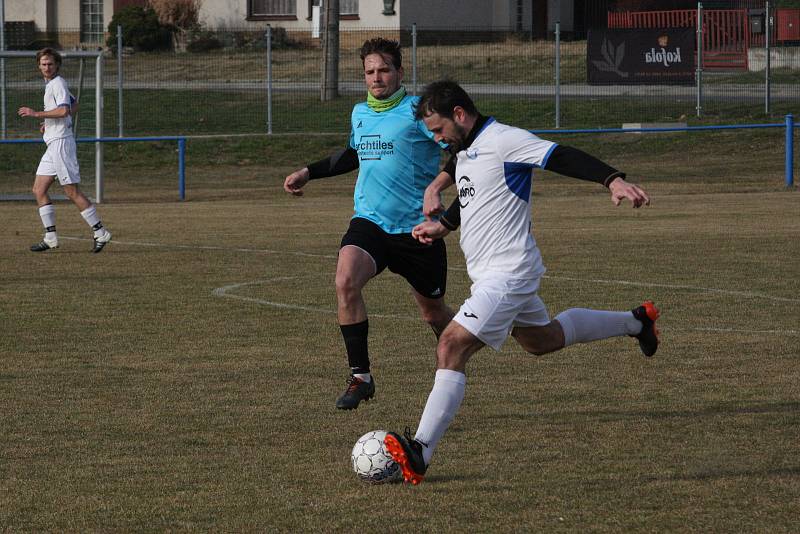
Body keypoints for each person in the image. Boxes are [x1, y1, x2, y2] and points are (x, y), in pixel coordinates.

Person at [382, 80, 661, 485]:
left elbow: (558, 155)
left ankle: (420, 451)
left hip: (508, 273)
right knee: (541, 340)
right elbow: (474, 196)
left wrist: (612, 179)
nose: (437, 138)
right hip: (493, 275)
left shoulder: (505, 140)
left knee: (451, 343)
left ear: (460, 115)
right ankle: (637, 321)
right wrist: (443, 226)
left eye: (439, 129)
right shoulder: (467, 151)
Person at [283, 38, 454, 410]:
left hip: (417, 230)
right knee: (345, 280)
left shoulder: (418, 110)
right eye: (370, 72)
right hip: (370, 223)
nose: (377, 78)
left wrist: (438, 187)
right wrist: (308, 172)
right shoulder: (360, 112)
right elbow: (352, 155)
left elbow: (458, 149)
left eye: (384, 70)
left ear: (399, 72)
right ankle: (361, 377)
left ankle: (460, 354)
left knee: (435, 314)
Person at [18, 48, 112, 253]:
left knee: (71, 191)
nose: (46, 67)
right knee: (38, 190)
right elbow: (73, 104)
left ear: (57, 65)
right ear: (38, 66)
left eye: (50, 64)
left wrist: (37, 114)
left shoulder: (58, 83)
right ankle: (51, 237)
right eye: (43, 64)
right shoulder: (52, 84)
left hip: (61, 144)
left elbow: (64, 109)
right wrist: (48, 122)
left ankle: (100, 232)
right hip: (53, 143)